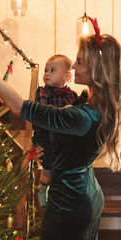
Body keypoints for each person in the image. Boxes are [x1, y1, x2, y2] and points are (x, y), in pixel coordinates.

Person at [0, 17, 121, 240]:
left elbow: (19, 107)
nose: (73, 66)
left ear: (96, 70)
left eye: (79, 61)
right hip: (85, 192)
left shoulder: (81, 116)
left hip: (69, 203)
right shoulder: (94, 104)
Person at [32, 54, 87, 208]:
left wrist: (83, 99)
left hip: (62, 135)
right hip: (43, 133)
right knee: (47, 162)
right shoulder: (43, 91)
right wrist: (62, 112)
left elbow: (78, 111)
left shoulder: (71, 95)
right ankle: (42, 188)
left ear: (67, 76)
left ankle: (58, 192)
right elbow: (42, 109)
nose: (47, 74)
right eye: (46, 70)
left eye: (52, 70)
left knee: (63, 162)